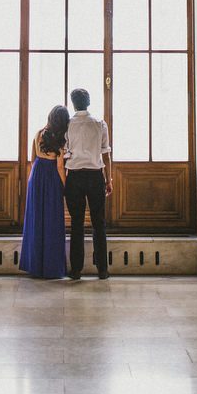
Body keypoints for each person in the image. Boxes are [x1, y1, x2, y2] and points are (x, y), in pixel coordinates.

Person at [64, 87, 112, 280]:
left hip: (74, 176)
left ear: (73, 104)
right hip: (95, 176)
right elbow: (106, 154)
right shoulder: (100, 123)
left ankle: (76, 270)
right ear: (89, 102)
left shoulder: (68, 125)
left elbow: (64, 152)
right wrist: (109, 179)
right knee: (98, 222)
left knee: (76, 223)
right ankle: (102, 269)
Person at [19, 104, 69, 279]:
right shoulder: (60, 140)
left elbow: (32, 159)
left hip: (36, 176)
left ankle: (35, 265)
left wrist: (35, 176)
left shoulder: (38, 133)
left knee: (36, 218)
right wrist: (65, 186)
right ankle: (51, 267)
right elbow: (60, 167)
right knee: (52, 220)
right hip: (52, 178)